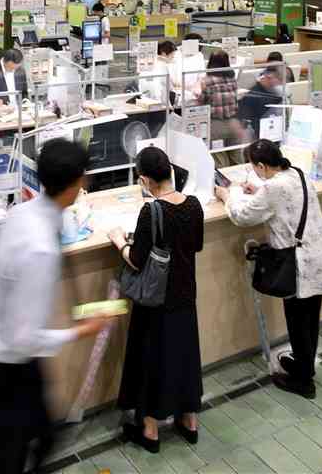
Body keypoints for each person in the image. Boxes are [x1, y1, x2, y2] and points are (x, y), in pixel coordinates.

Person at [0, 139, 106, 473]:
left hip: (1, 350)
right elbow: (22, 337)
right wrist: (79, 331)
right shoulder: (40, 248)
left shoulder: (22, 213)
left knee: (43, 433)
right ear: (76, 183)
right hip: (1, 362)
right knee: (2, 457)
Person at [216, 140, 322, 399]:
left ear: (261, 166)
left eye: (253, 166)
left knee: (297, 319)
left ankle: (303, 382)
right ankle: (304, 366)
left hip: (299, 262)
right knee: (310, 318)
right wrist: (259, 189)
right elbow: (280, 194)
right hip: (319, 253)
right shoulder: (296, 173)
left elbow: (241, 215)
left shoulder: (272, 188)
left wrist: (228, 195)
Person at [109, 147, 204, 452]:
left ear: (145, 179)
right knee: (186, 355)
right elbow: (195, 245)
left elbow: (136, 260)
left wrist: (119, 242)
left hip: (156, 300)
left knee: (152, 358)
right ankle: (190, 421)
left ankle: (150, 430)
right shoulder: (194, 205)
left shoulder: (152, 211)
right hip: (186, 295)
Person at [197, 51, 242, 166]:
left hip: (216, 126)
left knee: (220, 162)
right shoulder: (233, 80)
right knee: (237, 160)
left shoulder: (206, 81)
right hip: (234, 123)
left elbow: (202, 102)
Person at [238, 65, 283, 140]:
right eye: (276, 78)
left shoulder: (273, 93)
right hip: (255, 132)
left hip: (269, 130)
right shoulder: (254, 95)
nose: (277, 82)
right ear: (268, 77)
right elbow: (249, 121)